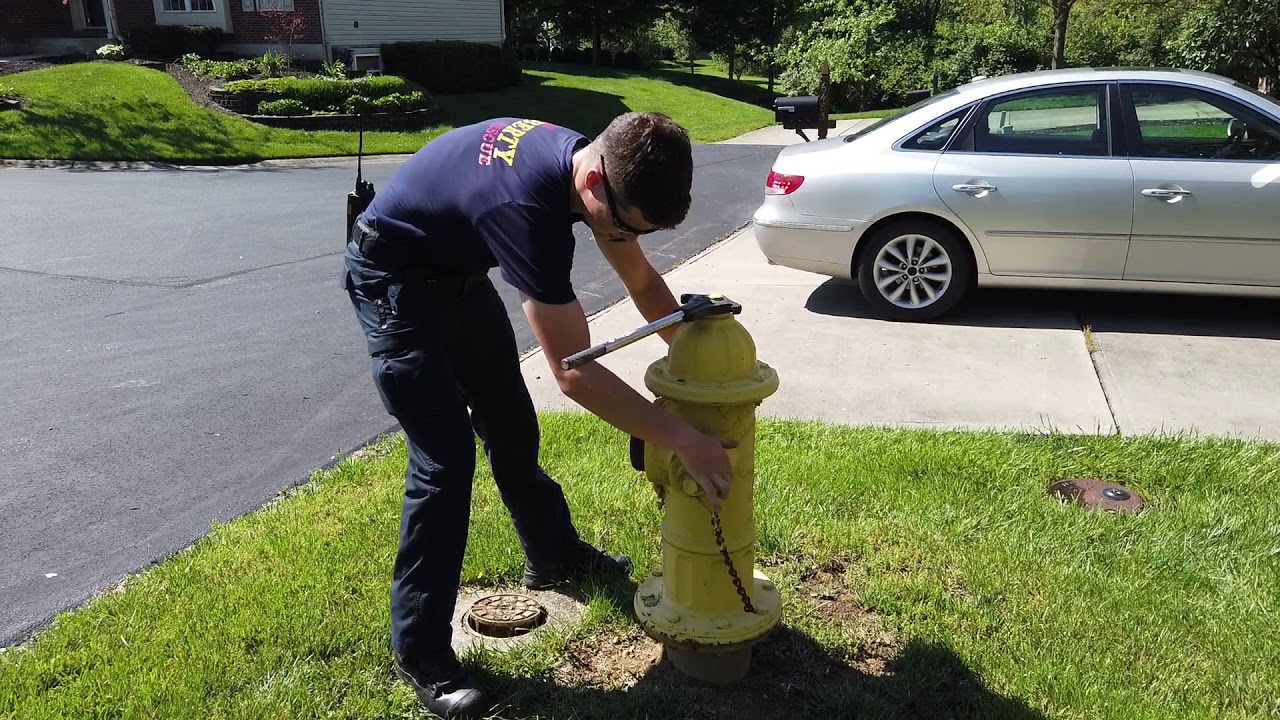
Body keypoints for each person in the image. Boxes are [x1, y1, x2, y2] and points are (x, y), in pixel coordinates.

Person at [340, 112, 737, 719]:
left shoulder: (595, 172)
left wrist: (695, 353)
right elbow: (573, 372)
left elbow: (642, 282)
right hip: (393, 283)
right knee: (444, 462)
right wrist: (680, 436)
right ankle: (420, 652)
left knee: (511, 424)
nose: (627, 238)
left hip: (456, 277)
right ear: (594, 186)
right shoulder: (527, 212)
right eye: (626, 226)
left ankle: (553, 555)